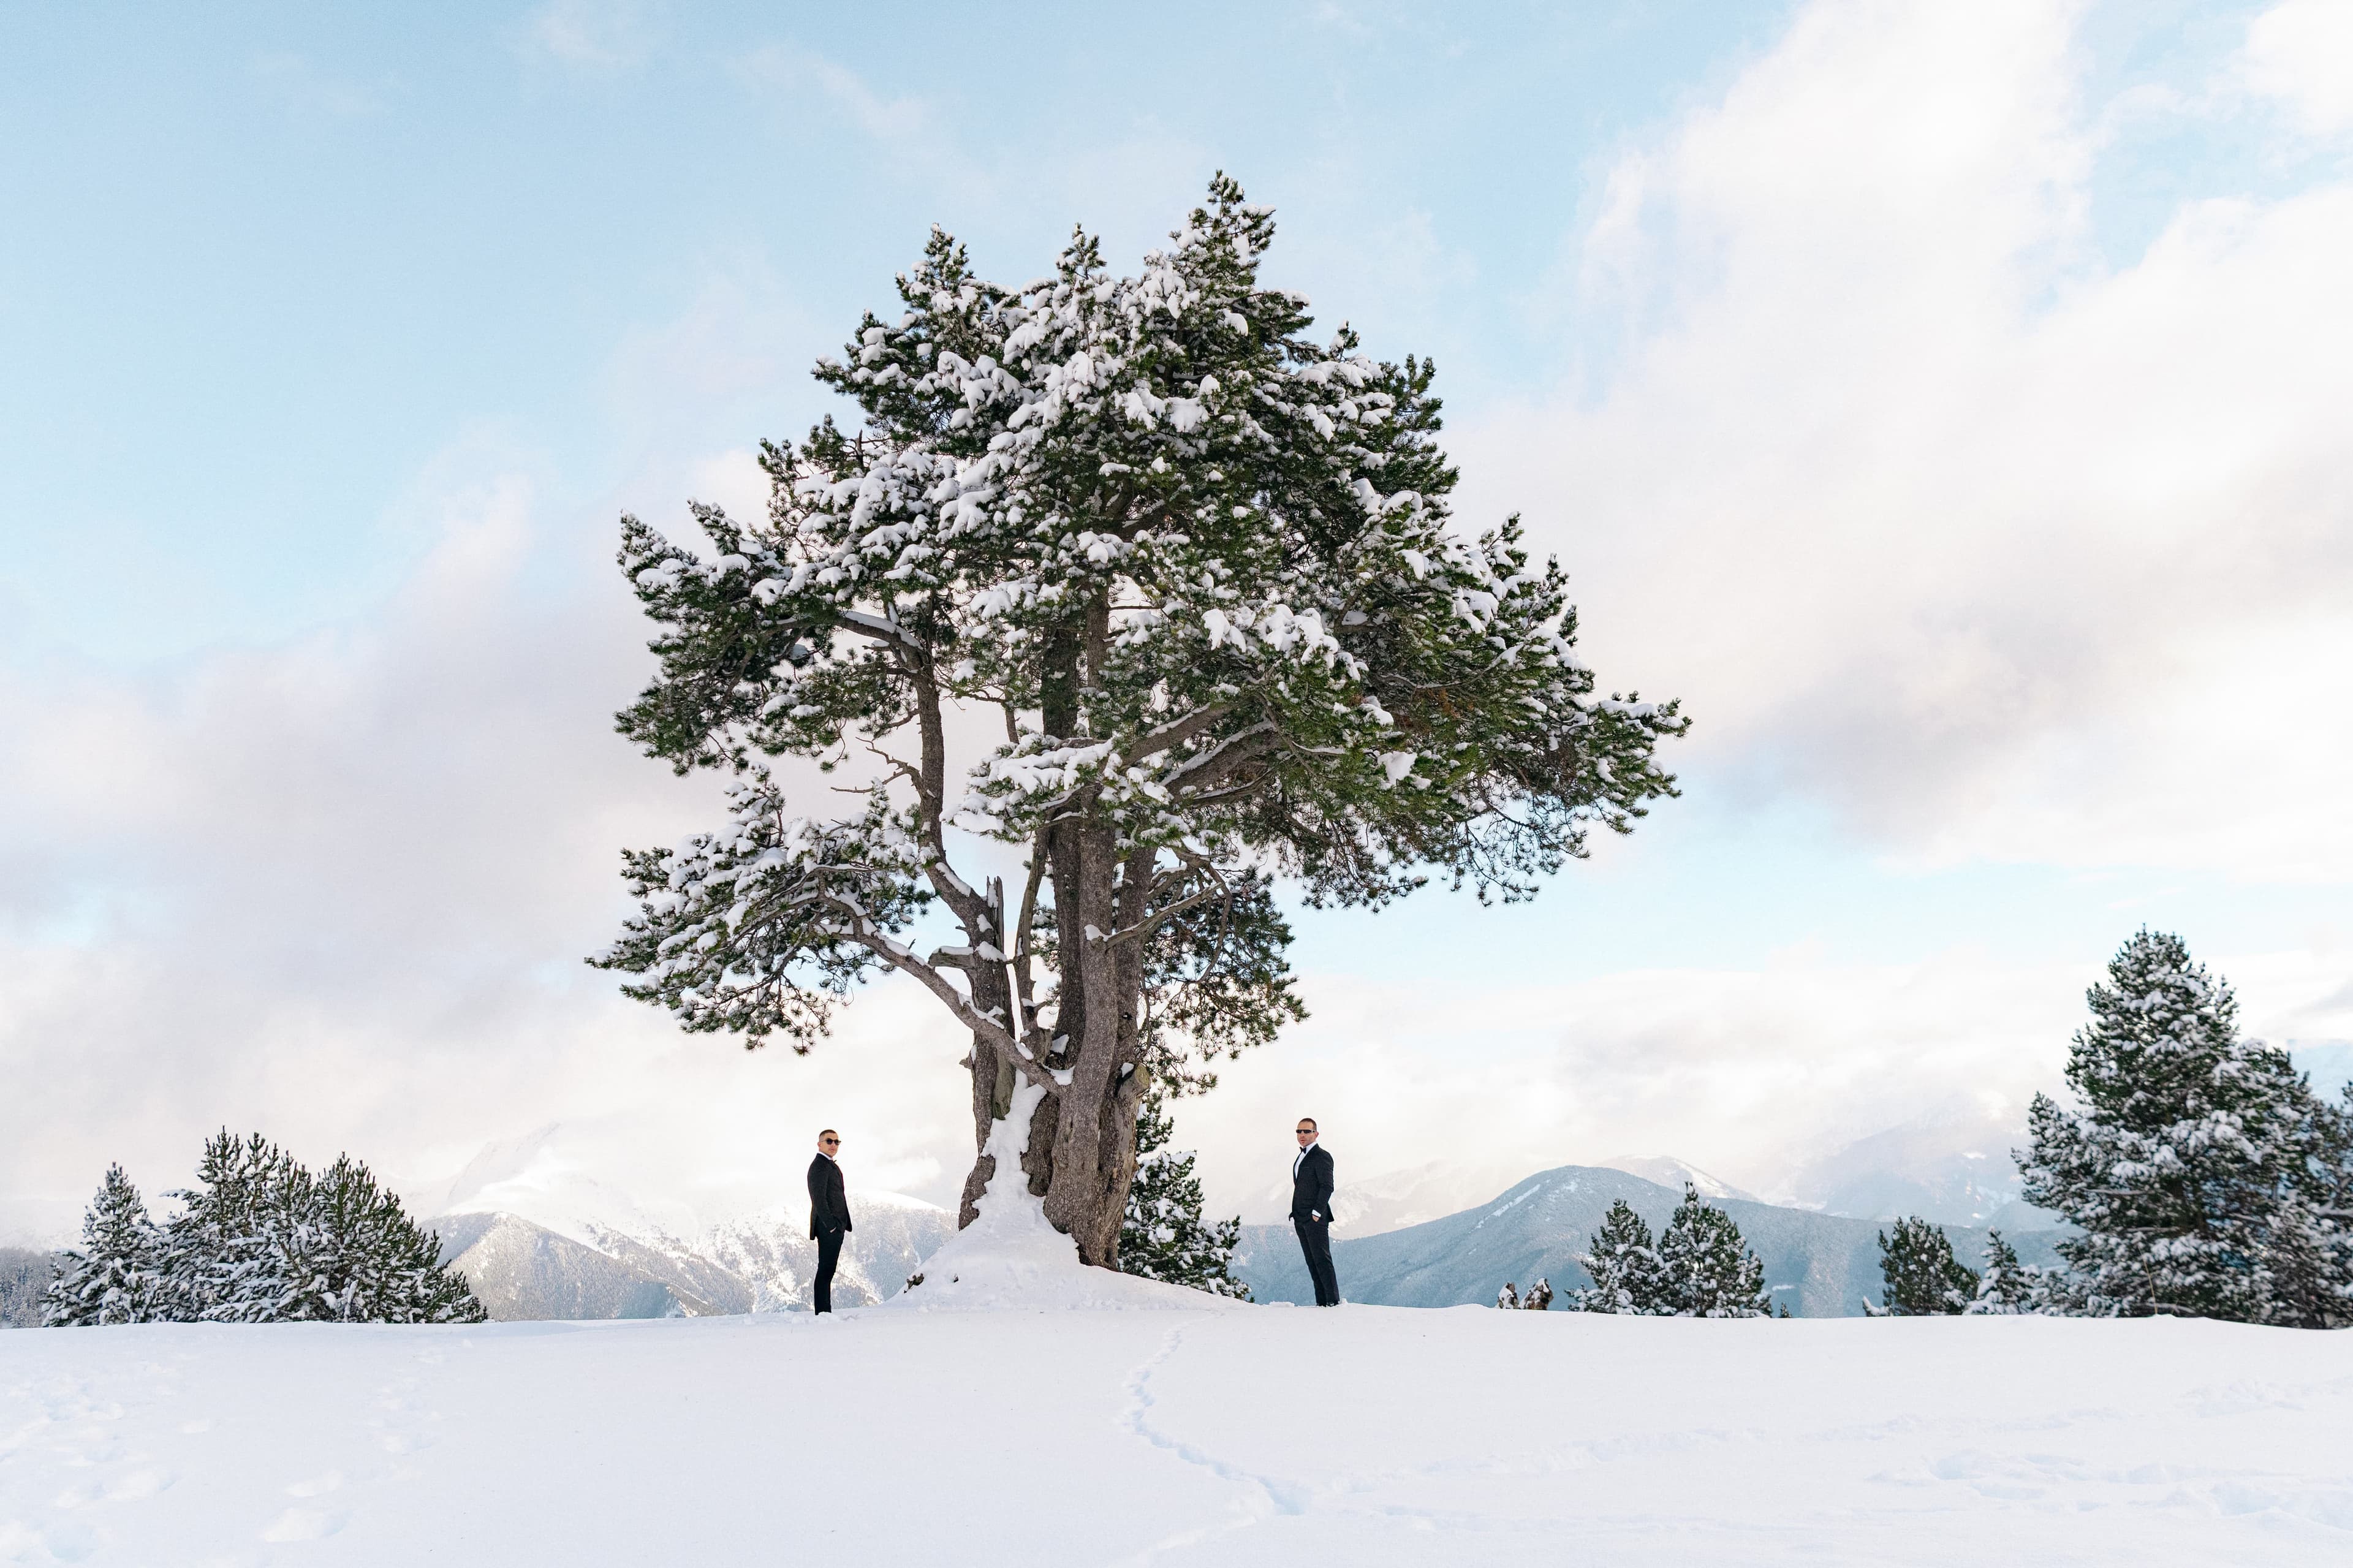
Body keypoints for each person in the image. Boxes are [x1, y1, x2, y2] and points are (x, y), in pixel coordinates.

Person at [1290, 1118, 1340, 1307]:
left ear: (1316, 1134)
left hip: (1315, 1218)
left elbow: (1327, 1187)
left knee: (1322, 1260)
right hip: (1300, 1218)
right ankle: (1322, 1304)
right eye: (1299, 1132)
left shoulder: (1322, 1156)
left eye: (1307, 1132)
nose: (1302, 1135)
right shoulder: (1301, 1156)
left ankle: (1332, 1302)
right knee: (1312, 1262)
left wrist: (1316, 1213)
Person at [807, 1129, 852, 1314]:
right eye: (829, 1141)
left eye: (836, 1142)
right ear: (820, 1144)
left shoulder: (827, 1164)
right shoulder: (819, 1166)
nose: (833, 1145)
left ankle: (824, 1313)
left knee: (828, 1270)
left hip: (833, 1226)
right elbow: (818, 1199)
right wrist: (832, 1226)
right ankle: (823, 1313)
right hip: (829, 1227)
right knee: (825, 1271)